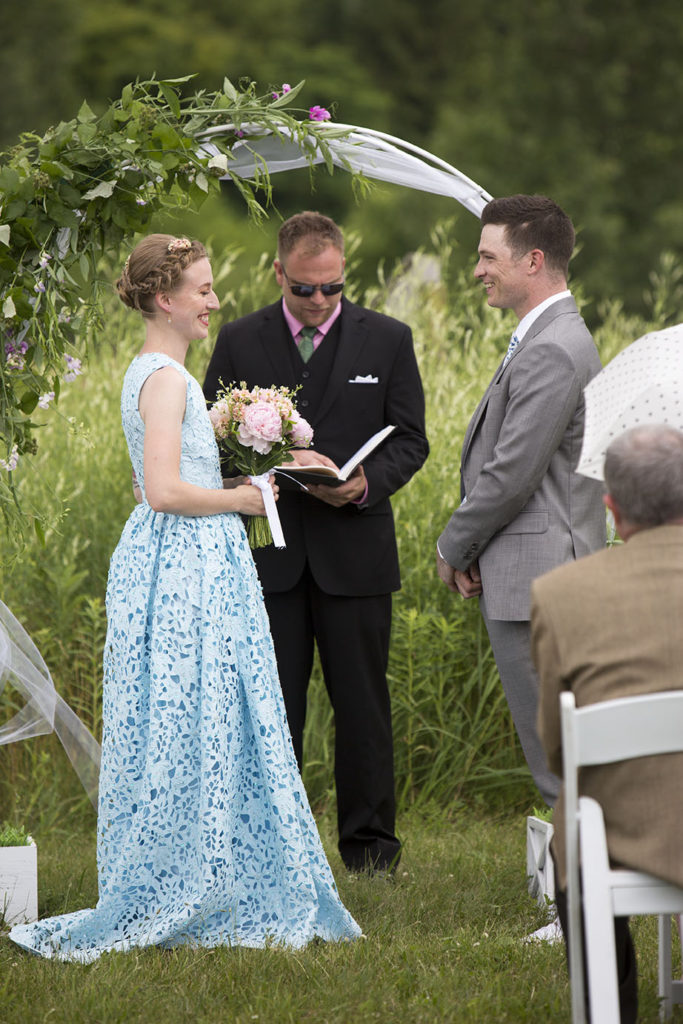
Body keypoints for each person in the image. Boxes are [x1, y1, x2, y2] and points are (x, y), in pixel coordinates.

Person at [9, 233, 361, 962]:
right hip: (185, 564)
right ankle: (194, 879)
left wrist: (258, 466)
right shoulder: (167, 378)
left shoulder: (151, 369)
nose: (214, 300)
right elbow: (163, 492)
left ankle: (198, 864)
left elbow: (148, 485)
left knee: (194, 712)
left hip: (180, 558)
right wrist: (246, 496)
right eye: (202, 289)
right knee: (197, 709)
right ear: (164, 298)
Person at [203, 212, 429, 873]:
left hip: (355, 552)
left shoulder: (386, 339)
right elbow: (209, 439)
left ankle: (370, 852)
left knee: (362, 708)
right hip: (270, 558)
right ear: (279, 274)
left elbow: (411, 439)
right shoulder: (240, 339)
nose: (320, 301)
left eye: (332, 287)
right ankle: (273, 851)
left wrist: (361, 485)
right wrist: (245, 476)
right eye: (306, 289)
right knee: (272, 708)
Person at [435, 194, 605, 807]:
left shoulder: (554, 347)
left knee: (558, 760)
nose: (477, 269)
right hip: (535, 572)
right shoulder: (546, 337)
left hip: (542, 580)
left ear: (533, 261)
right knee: (558, 753)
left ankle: (583, 901)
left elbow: (511, 474)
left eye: (487, 256)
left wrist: (453, 545)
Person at [532, 424, 683, 1023]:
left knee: (575, 810)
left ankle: (610, 1002)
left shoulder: (562, 593)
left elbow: (557, 747)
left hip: (615, 830)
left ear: (612, 509)